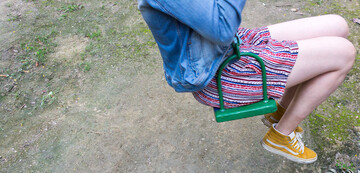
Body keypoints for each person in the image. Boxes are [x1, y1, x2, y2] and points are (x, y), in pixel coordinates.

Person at [138, 0, 356, 164]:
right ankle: (281, 135)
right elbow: (222, 28)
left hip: (228, 47)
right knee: (344, 53)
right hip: (218, 75)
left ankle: (279, 113)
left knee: (338, 25)